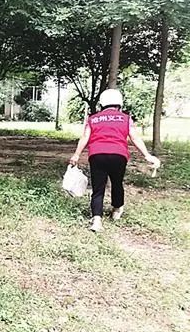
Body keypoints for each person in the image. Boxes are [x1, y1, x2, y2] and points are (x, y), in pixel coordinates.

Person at [69, 88, 161, 232]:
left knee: (98, 188)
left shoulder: (93, 119)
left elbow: (85, 137)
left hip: (97, 155)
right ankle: (116, 210)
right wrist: (147, 155)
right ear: (119, 104)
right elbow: (135, 138)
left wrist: (76, 155)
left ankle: (97, 220)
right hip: (119, 156)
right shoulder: (125, 118)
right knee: (117, 183)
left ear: (102, 104)